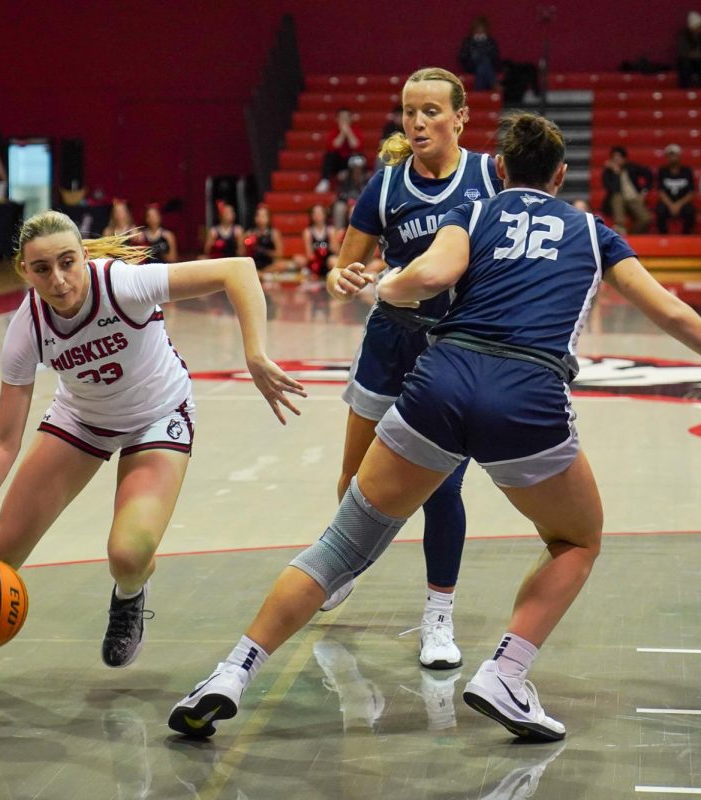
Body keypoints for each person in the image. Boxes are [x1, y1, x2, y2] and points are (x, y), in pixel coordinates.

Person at [169, 112, 701, 744]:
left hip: (440, 383)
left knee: (340, 547)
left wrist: (382, 289)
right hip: (526, 397)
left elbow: (426, 277)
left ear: (499, 171)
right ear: (561, 176)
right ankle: (506, 671)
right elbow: (673, 313)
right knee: (577, 540)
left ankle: (230, 673)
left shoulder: (473, 215)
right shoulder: (593, 231)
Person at [0, 210, 305, 692]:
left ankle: (130, 593)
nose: (58, 280)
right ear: (24, 271)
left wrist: (254, 353)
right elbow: (2, 442)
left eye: (67, 263)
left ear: (84, 256)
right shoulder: (26, 329)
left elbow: (238, 270)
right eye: (42, 269)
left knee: (127, 553)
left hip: (158, 415)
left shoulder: (122, 285)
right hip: (82, 420)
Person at [320, 67, 504, 670]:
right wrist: (342, 277)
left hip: (452, 350)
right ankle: (345, 563)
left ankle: (438, 617)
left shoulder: (488, 177)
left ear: (460, 117)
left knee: (442, 488)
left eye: (431, 111)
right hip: (388, 343)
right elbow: (342, 267)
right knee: (354, 479)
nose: (418, 122)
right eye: (409, 112)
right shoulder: (385, 184)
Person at [602, 146, 653, 234]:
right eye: (615, 158)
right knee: (617, 197)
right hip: (617, 201)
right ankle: (620, 226)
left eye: (619, 158)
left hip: (633, 198)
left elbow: (649, 174)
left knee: (646, 219)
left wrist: (644, 192)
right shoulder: (608, 172)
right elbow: (612, 189)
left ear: (624, 159)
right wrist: (616, 173)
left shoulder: (631, 167)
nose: (617, 160)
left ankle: (631, 234)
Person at [316, 109, 362, 193]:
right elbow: (334, 147)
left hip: (350, 162)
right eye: (342, 118)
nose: (344, 120)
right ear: (337, 119)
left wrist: (348, 133)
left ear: (351, 119)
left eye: (346, 118)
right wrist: (342, 133)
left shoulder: (356, 131)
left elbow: (356, 146)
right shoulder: (333, 132)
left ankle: (356, 185)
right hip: (337, 162)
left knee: (358, 157)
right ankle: (325, 181)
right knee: (329, 156)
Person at [656, 143, 696, 234]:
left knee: (690, 211)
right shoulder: (662, 171)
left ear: (679, 156)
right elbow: (661, 191)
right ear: (667, 157)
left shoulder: (687, 171)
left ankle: (686, 236)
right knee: (660, 210)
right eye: (670, 155)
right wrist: (671, 205)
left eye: (674, 155)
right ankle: (663, 235)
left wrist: (678, 204)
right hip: (668, 202)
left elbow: (691, 192)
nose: (672, 158)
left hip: (682, 202)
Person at [458, 15, 501, 91]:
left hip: (487, 66)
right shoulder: (468, 41)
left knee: (482, 65)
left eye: (482, 29)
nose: (480, 30)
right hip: (471, 66)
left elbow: (495, 57)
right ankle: (494, 84)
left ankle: (478, 90)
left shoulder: (490, 41)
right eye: (478, 28)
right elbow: (462, 57)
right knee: (482, 60)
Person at [301, 204, 340, 278]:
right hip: (315, 262)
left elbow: (337, 251)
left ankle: (331, 273)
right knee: (299, 260)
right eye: (315, 213)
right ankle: (312, 272)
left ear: (325, 215)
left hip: (328, 262)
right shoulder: (308, 232)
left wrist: (333, 245)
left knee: (333, 260)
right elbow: (309, 254)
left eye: (320, 213)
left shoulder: (331, 230)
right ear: (311, 216)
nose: (317, 215)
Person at [246, 204, 285, 272]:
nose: (260, 218)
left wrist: (265, 252)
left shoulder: (274, 233)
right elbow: (243, 254)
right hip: (254, 266)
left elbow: (279, 254)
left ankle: (262, 273)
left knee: (281, 265)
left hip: (269, 266)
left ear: (268, 218)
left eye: (263, 216)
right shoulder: (249, 233)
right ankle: (258, 273)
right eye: (258, 215)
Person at [678, 10, 701, 88]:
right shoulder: (684, 36)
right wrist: (694, 54)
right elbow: (683, 52)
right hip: (688, 61)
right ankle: (684, 89)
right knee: (685, 64)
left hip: (698, 60)